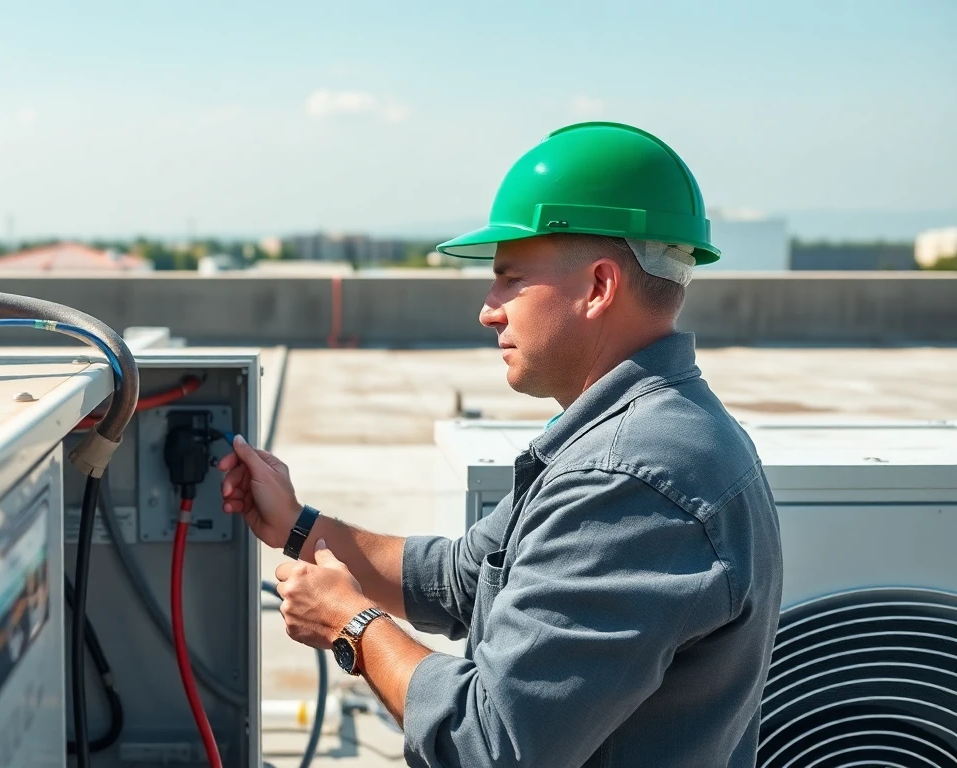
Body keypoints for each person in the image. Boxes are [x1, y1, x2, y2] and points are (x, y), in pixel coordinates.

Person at [218, 122, 784, 767]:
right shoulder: (636, 434)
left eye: (510, 279)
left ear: (599, 287)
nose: (489, 309)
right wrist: (296, 524)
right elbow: (464, 578)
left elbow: (488, 744)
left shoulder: (630, 481)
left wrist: (353, 627)